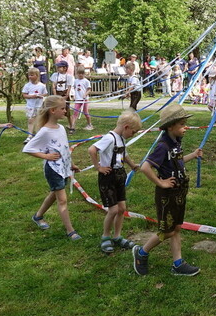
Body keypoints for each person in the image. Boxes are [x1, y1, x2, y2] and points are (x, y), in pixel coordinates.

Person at [133, 103, 204, 276]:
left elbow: (177, 162)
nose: (185, 127)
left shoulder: (175, 142)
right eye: (181, 125)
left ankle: (177, 263)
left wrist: (193, 155)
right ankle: (141, 253)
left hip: (179, 193)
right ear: (170, 126)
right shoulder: (163, 146)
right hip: (167, 195)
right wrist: (160, 182)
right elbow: (145, 167)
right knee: (167, 231)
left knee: (176, 228)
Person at [23, 96, 81, 240]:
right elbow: (28, 149)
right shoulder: (45, 131)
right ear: (53, 110)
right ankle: (70, 231)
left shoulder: (61, 128)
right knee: (62, 200)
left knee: (54, 194)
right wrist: (46, 156)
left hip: (64, 168)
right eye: (62, 108)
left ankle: (38, 216)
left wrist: (71, 164)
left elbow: (64, 148)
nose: (65, 111)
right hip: (53, 170)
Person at [88, 110, 141, 253]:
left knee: (122, 208)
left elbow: (125, 154)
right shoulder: (109, 138)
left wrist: (132, 165)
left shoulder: (121, 139)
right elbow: (92, 150)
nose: (133, 135)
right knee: (113, 209)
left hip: (119, 176)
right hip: (108, 177)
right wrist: (98, 167)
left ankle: (117, 236)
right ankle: (106, 237)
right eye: (133, 132)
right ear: (126, 127)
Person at [21, 68, 48, 143]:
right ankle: (30, 135)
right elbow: (24, 95)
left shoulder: (42, 86)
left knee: (38, 120)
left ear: (37, 75)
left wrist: (40, 95)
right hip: (30, 106)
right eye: (29, 75)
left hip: (39, 106)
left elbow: (45, 93)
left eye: (32, 75)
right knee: (30, 120)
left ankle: (39, 135)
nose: (30, 76)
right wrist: (32, 96)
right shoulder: (27, 85)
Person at [50, 61, 75, 134]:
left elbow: (69, 87)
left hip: (64, 94)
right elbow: (53, 86)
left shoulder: (69, 76)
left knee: (67, 111)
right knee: (54, 111)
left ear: (65, 68)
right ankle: (53, 126)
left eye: (60, 67)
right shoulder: (55, 75)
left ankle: (71, 126)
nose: (58, 68)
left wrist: (66, 96)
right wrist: (55, 96)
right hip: (57, 94)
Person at [72, 65, 93, 130]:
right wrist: (73, 95)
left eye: (82, 73)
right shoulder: (75, 81)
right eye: (79, 73)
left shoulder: (86, 81)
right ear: (77, 73)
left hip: (84, 100)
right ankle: (72, 126)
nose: (80, 75)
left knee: (86, 112)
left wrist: (85, 94)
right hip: (78, 100)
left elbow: (89, 89)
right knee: (75, 113)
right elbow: (74, 88)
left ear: (84, 73)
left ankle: (89, 124)